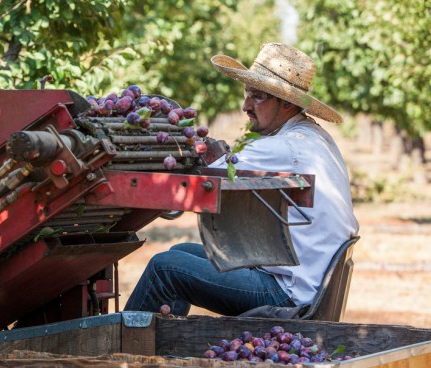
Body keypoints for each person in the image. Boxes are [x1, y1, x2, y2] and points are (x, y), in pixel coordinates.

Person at [124, 43, 360, 317]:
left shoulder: (285, 147)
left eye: (257, 97)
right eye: (247, 95)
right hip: (306, 279)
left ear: (286, 102)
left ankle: (121, 352)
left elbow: (206, 178)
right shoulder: (313, 138)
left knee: (164, 268)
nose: (246, 106)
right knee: (181, 251)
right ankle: (164, 340)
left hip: (289, 292)